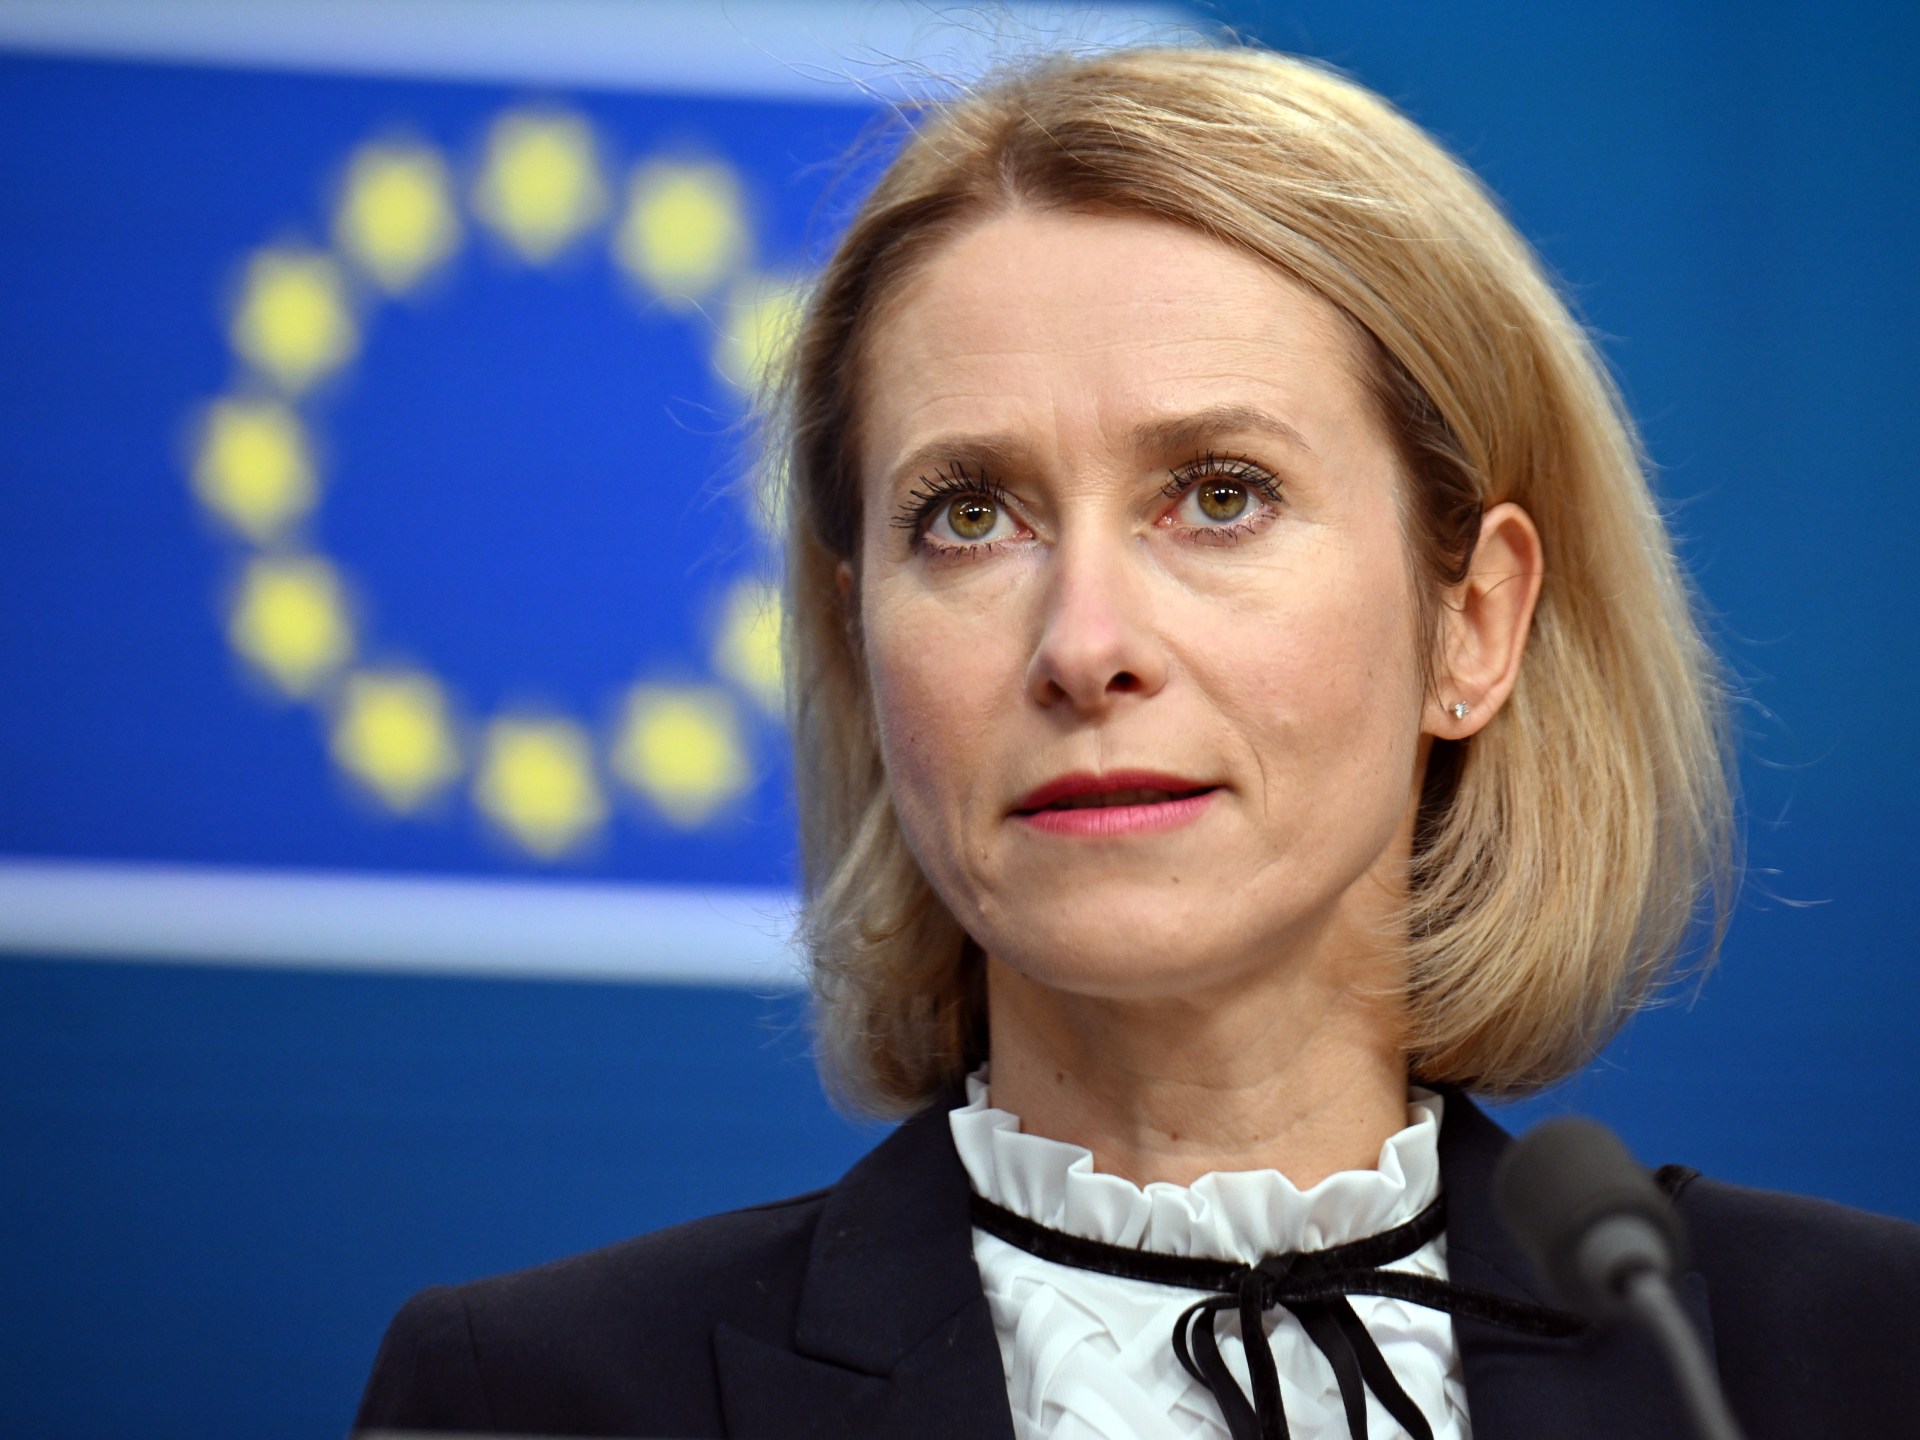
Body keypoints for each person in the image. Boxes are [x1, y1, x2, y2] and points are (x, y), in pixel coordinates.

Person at [355, 45, 1920, 1439]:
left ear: (1473, 622)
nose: (1084, 644)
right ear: (858, 640)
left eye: (1220, 495)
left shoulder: (1856, 1360)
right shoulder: (538, 1397)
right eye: (971, 518)